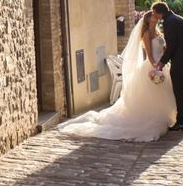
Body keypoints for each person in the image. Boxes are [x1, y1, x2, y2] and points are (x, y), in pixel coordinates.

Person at [58, 12, 176, 142]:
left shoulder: (159, 33)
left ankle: (165, 116)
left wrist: (163, 59)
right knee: (151, 95)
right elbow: (149, 54)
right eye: (153, 15)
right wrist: (155, 67)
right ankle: (154, 117)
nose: (156, 16)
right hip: (152, 66)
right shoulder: (147, 34)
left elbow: (163, 49)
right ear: (148, 19)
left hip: (161, 65)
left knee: (162, 93)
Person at [153, 1, 183, 131]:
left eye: (154, 13)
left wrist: (162, 62)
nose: (154, 16)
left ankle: (181, 122)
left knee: (179, 92)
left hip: (180, 62)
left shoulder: (168, 22)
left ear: (159, 12)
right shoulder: (179, 18)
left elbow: (172, 45)